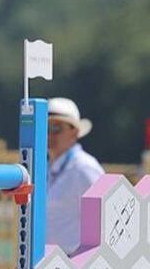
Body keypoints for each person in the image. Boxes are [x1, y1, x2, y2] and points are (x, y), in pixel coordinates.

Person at [45, 97, 105, 253]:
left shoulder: (84, 168)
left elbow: (107, 220)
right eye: (45, 128)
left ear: (74, 132)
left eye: (56, 128)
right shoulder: (45, 168)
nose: (49, 135)